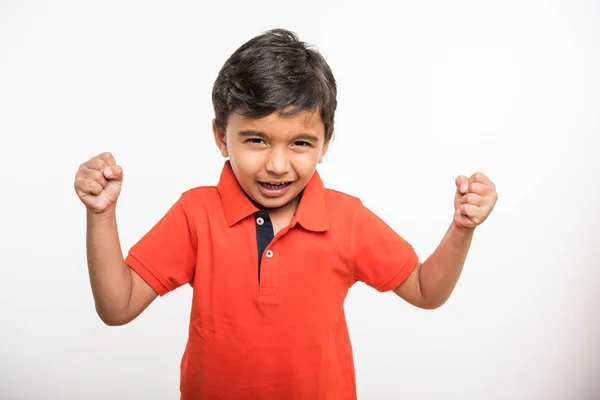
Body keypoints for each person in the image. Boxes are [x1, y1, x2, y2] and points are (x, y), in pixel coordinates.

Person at [74, 28, 498, 399]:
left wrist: (462, 228)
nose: (278, 165)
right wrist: (101, 215)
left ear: (325, 143)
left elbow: (426, 291)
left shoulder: (346, 219)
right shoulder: (196, 213)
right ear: (222, 137)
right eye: (256, 140)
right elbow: (118, 307)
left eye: (300, 143)